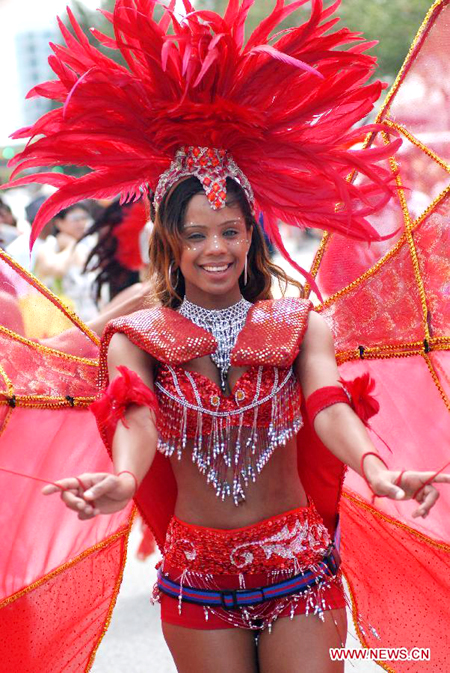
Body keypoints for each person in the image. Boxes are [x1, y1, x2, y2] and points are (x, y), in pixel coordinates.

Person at [1, 1, 449, 672]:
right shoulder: (136, 333)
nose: (216, 248)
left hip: (299, 565)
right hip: (195, 576)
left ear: (252, 235)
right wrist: (124, 478)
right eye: (197, 234)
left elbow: (328, 407)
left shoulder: (301, 323)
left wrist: (378, 469)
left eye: (230, 231)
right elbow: (137, 419)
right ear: (169, 244)